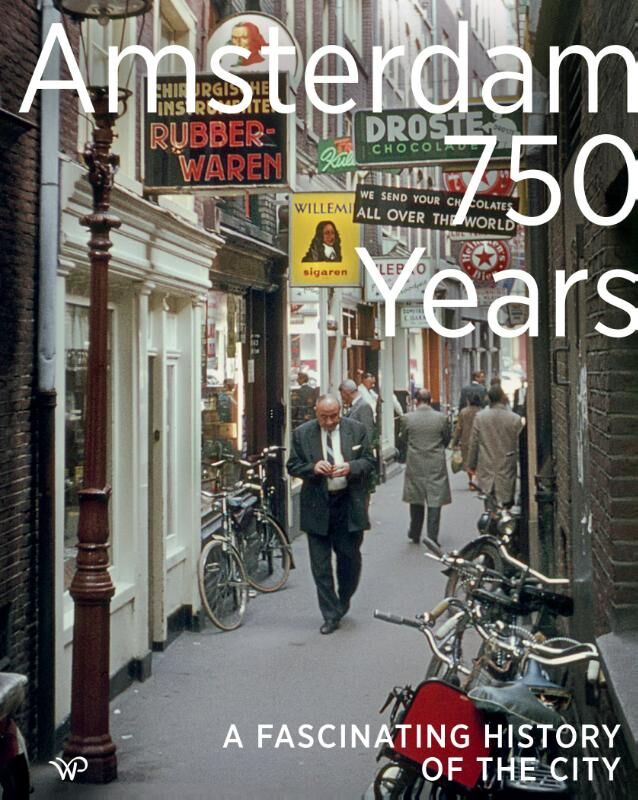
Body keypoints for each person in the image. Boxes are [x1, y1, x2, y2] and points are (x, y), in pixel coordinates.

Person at [286, 395, 375, 634]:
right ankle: (330, 615)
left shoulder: (356, 430)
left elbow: (369, 461)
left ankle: (344, 598)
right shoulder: (302, 434)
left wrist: (351, 467)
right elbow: (292, 465)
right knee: (320, 566)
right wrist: (312, 468)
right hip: (317, 506)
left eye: (334, 416)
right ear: (316, 412)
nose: (329, 421)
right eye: (324, 417)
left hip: (347, 505)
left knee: (349, 560)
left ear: (340, 411)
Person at [398, 389, 451, 551]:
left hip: (415, 462)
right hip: (436, 462)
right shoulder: (441, 418)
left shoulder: (407, 418)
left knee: (416, 497)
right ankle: (432, 536)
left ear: (416, 401)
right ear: (430, 400)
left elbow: (403, 438)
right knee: (435, 498)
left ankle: (415, 532)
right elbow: (446, 438)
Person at [467, 385, 524, 507]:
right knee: (507, 503)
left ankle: (490, 514)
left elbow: (474, 443)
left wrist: (471, 465)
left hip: (486, 466)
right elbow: (520, 445)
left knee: (489, 503)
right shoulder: (515, 419)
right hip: (506, 466)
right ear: (503, 398)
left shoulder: (480, 418)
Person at [451, 389, 482, 490]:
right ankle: (475, 481)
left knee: (468, 463)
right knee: (478, 461)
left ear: (468, 401)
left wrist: (454, 442)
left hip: (466, 440)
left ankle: (472, 481)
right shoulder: (481, 412)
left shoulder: (463, 412)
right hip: (480, 440)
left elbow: (459, 428)